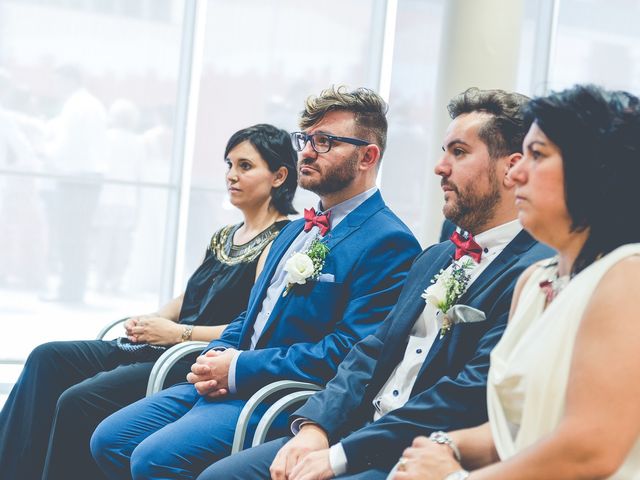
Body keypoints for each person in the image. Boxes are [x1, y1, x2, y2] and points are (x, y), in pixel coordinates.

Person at [197, 88, 554, 480]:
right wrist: (315, 427)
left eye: (459, 152)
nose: (439, 167)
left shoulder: (532, 273)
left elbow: (465, 392)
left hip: (416, 455)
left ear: (511, 168)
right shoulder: (434, 257)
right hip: (351, 429)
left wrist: (341, 455)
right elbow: (369, 351)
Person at [90, 85, 421, 480]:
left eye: (325, 141)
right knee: (108, 439)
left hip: (280, 393)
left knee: (153, 459)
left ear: (368, 156)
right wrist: (216, 355)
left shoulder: (388, 241)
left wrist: (239, 368)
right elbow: (254, 313)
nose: (308, 152)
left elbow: (346, 351)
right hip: (231, 377)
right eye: (306, 139)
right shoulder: (295, 229)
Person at [0, 123, 299, 480]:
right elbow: (192, 294)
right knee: (46, 357)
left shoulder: (283, 241)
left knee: (77, 399)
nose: (231, 176)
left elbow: (251, 327)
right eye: (229, 165)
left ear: (279, 176)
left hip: (189, 358)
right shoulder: (226, 234)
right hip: (163, 342)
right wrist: (152, 319)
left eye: (245, 166)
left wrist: (175, 333)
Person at [390, 85, 640, 480]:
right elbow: (519, 433)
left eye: (537, 155)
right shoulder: (535, 280)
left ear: (595, 170)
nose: (517, 172)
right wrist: (444, 445)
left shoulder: (627, 277)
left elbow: (589, 450)